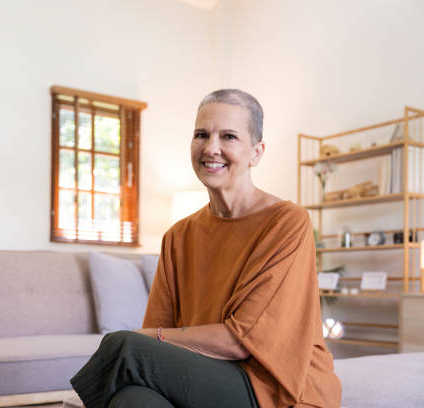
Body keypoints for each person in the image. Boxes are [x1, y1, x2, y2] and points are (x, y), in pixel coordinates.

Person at [70, 89, 342, 408]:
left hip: (275, 387)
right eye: (201, 134)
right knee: (133, 399)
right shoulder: (178, 236)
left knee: (123, 346)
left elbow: (238, 341)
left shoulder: (286, 222)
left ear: (257, 152)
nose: (211, 148)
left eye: (228, 136)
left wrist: (147, 340)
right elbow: (159, 328)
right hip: (201, 378)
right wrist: (152, 339)